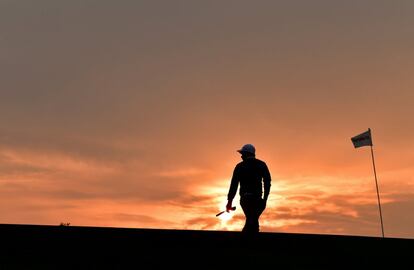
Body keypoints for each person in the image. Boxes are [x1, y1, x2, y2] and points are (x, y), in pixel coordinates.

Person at [226, 144, 271, 233]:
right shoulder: (261, 165)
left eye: (242, 154)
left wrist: (229, 202)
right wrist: (264, 200)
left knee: (251, 221)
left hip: (245, 199)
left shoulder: (240, 166)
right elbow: (267, 183)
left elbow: (234, 185)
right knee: (253, 221)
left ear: (246, 154)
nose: (241, 156)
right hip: (258, 199)